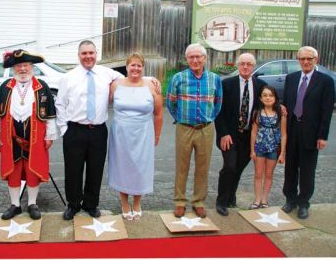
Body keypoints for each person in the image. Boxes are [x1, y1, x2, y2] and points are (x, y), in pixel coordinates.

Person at [55, 40, 124, 220]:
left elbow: (128, 78)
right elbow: (60, 104)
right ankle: (73, 204)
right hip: (74, 131)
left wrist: (150, 80)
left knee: (96, 169)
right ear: (79, 56)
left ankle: (91, 204)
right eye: (84, 53)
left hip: (98, 131)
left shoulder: (107, 73)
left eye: (91, 53)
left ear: (96, 54)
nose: (88, 57)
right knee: (73, 170)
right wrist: (64, 129)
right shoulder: (68, 77)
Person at [0, 50, 57, 220]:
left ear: (31, 67)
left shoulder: (42, 87)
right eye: (18, 66)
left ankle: (32, 204)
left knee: (33, 170)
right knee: (13, 171)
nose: (22, 69)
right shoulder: (6, 88)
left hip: (35, 138)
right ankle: (15, 205)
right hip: (10, 138)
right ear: (13, 68)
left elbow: (49, 115)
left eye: (25, 65)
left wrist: (50, 135)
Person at [166, 43, 222, 218]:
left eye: (198, 56)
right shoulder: (178, 78)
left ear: (205, 58)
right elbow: (171, 102)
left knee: (202, 167)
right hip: (184, 128)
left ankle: (198, 202)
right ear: (187, 59)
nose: (195, 60)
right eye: (191, 57)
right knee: (182, 166)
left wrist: (209, 118)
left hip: (205, 129)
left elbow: (218, 103)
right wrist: (181, 119)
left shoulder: (214, 79)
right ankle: (180, 202)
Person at [107, 53, 163, 220]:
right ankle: (124, 203)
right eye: (133, 65)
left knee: (140, 168)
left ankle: (137, 202)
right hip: (121, 134)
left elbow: (158, 113)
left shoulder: (152, 86)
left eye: (139, 65)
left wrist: (158, 134)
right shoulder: (115, 85)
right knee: (122, 167)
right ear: (127, 67)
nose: (135, 68)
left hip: (144, 133)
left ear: (143, 68)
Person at [282, 46, 334, 219]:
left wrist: (322, 136)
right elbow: (286, 104)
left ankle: (303, 203)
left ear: (315, 60)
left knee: (307, 169)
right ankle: (290, 199)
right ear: (298, 60)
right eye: (302, 59)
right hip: (291, 129)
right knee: (290, 168)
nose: (305, 62)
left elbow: (327, 111)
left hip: (311, 132)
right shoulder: (291, 78)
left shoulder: (325, 81)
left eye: (309, 59)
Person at [214, 53, 266, 216]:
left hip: (249, 136)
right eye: (242, 63)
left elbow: (270, 102)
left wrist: (281, 108)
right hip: (230, 135)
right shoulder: (227, 84)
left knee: (239, 167)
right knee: (229, 166)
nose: (245, 67)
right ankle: (221, 201)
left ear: (254, 66)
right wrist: (223, 133)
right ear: (238, 65)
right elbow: (218, 111)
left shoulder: (261, 86)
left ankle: (231, 196)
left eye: (249, 64)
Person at [249, 86, 286, 209]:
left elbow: (284, 134)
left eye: (271, 95)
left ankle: (265, 199)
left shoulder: (281, 114)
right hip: (259, 148)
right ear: (260, 98)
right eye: (265, 95)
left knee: (269, 174)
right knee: (258, 174)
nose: (268, 97)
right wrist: (252, 150)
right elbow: (254, 132)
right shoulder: (257, 113)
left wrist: (282, 153)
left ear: (275, 98)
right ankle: (257, 198)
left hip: (273, 149)